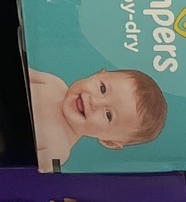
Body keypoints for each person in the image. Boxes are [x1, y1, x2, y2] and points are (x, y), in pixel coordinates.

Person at [28, 67, 168, 169]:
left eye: (108, 115)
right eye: (102, 89)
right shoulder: (53, 83)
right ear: (99, 73)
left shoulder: (58, 151)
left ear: (109, 142)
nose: (94, 102)